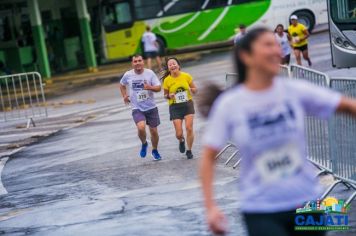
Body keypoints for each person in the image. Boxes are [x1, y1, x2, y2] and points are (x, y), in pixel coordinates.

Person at [199, 27, 356, 236]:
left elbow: (346, 106)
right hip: (261, 208)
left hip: (307, 202)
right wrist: (210, 207)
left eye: (276, 45)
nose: (277, 51)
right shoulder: (230, 104)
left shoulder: (294, 91)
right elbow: (208, 157)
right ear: (246, 56)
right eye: (267, 45)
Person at [119, 55, 162, 161]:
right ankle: (144, 143)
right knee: (141, 127)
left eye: (139, 61)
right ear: (132, 63)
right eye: (135, 61)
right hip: (137, 107)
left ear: (143, 62)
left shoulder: (150, 73)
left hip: (151, 107)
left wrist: (150, 87)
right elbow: (122, 85)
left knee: (154, 131)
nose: (137, 63)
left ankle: (155, 150)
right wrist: (124, 95)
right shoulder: (128, 75)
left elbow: (159, 88)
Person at [162, 57, 197, 159]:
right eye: (170, 65)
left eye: (174, 63)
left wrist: (192, 90)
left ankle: (189, 150)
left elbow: (195, 89)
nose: (172, 65)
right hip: (175, 107)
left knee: (189, 128)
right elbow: (165, 95)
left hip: (187, 104)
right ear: (168, 68)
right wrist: (169, 96)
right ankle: (181, 141)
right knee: (179, 133)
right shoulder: (167, 80)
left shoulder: (186, 76)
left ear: (178, 65)